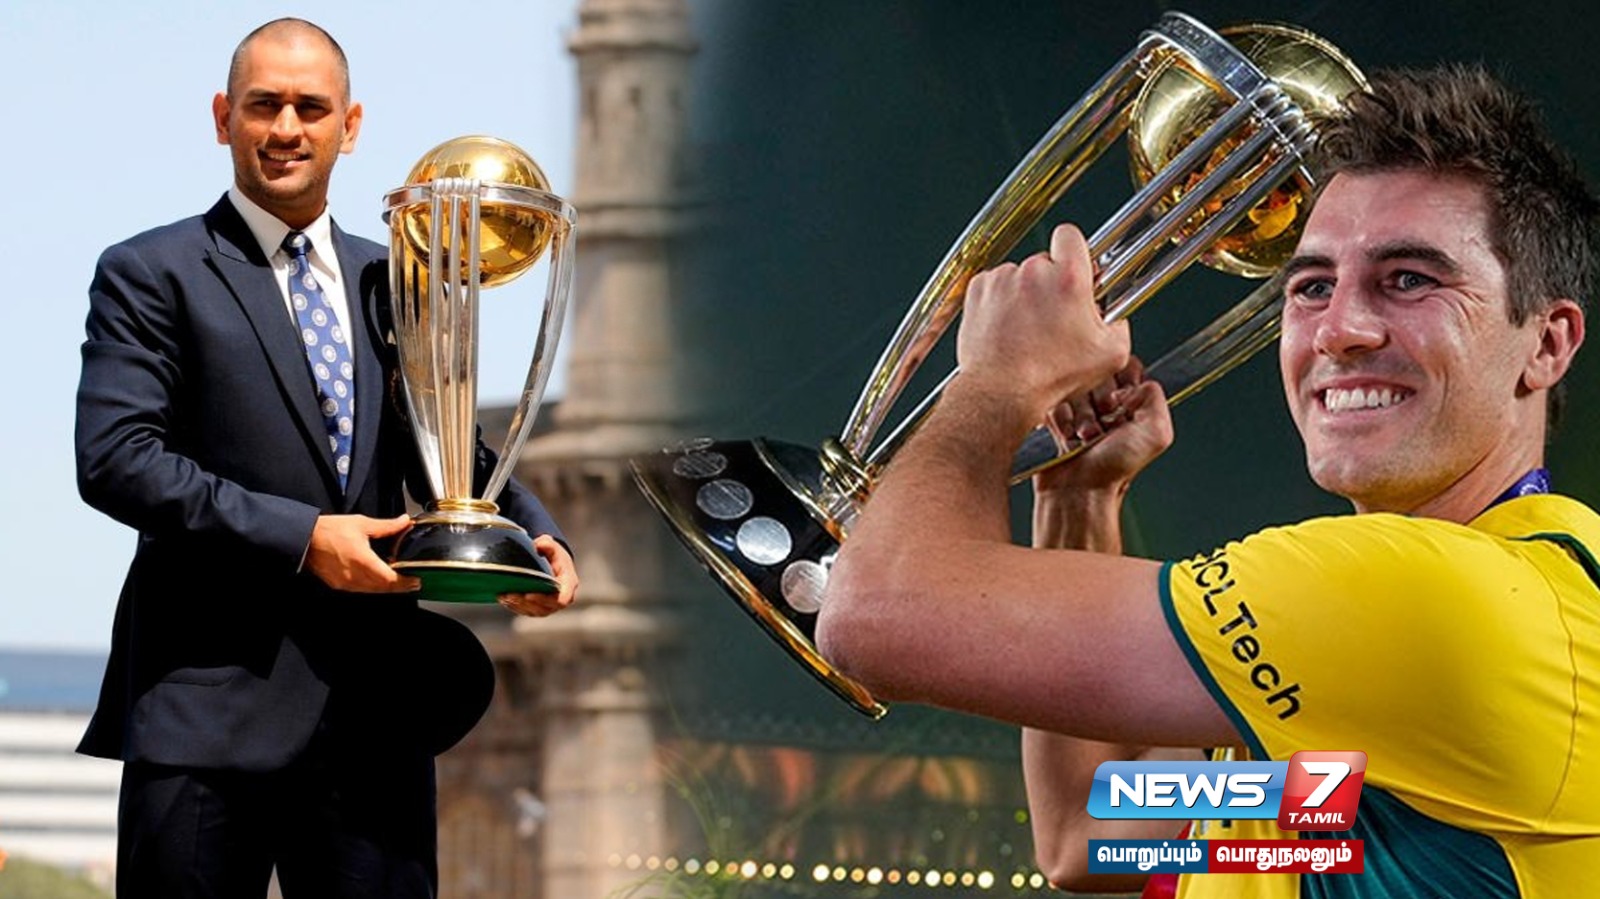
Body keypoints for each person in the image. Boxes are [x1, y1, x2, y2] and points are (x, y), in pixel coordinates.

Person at [815, 65, 1600, 898]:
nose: (1338, 330)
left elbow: (874, 615)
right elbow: (1088, 832)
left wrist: (998, 380)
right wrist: (1078, 498)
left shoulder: (1434, 601)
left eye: (1410, 279)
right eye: (1311, 287)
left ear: (1548, 342)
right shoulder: (1368, 696)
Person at [74, 18, 577, 898]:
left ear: (351, 125)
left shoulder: (401, 278)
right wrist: (306, 538)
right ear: (224, 116)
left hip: (374, 721)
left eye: (311, 108)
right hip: (206, 715)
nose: (286, 128)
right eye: (263, 105)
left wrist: (535, 536)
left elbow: (447, 439)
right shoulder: (152, 272)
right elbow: (117, 458)